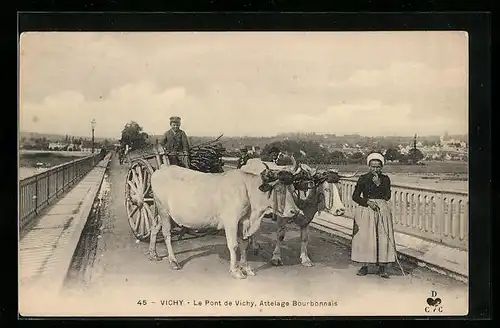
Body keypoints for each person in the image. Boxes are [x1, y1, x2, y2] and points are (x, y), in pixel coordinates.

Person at [351, 152, 396, 279]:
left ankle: (382, 267)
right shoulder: (363, 178)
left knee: (382, 237)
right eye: (373, 166)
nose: (375, 169)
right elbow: (355, 196)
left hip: (382, 209)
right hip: (367, 209)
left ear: (381, 167)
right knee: (366, 237)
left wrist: (378, 184)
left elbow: (387, 196)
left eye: (378, 167)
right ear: (369, 166)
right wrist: (367, 202)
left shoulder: (386, 179)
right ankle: (365, 266)